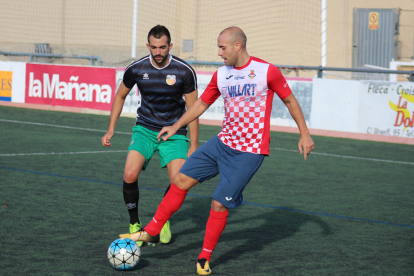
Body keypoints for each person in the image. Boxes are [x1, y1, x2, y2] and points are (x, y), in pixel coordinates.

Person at [120, 26, 314, 274]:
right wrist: (177, 124)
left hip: (249, 152)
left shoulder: (267, 71)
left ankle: (204, 258)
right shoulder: (222, 75)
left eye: (222, 47)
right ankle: (152, 231)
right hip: (222, 143)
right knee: (180, 179)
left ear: (237, 46)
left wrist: (304, 133)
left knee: (218, 204)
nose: (219, 52)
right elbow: (201, 103)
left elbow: (289, 100)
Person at [102, 25, 199, 247]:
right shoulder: (136, 68)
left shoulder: (184, 71)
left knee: (179, 182)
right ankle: (135, 223)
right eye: (153, 47)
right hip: (145, 128)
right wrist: (111, 129)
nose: (158, 52)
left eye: (162, 47)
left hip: (174, 131)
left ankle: (162, 219)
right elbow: (120, 97)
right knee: (129, 173)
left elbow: (193, 110)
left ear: (170, 46)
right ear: (148, 46)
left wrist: (194, 144)